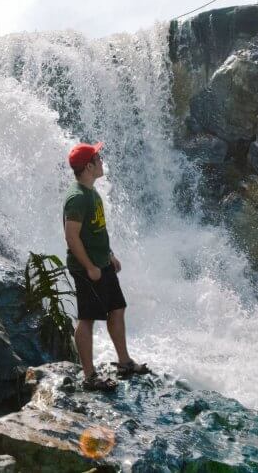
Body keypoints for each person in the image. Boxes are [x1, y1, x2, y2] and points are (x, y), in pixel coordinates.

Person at [63, 141, 151, 391]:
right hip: (87, 269)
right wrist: (90, 267)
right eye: (98, 158)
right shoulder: (77, 198)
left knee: (117, 308)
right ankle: (89, 376)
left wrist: (109, 255)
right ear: (89, 166)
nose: (102, 162)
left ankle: (124, 362)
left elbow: (96, 231)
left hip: (103, 264)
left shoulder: (91, 192)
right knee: (87, 318)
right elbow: (71, 237)